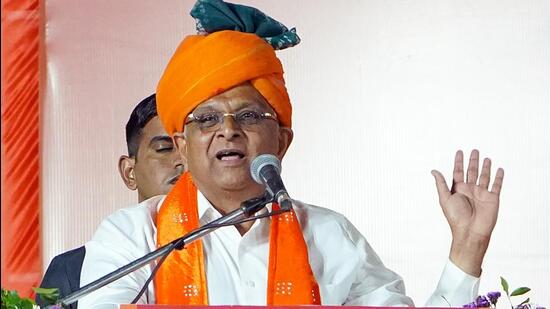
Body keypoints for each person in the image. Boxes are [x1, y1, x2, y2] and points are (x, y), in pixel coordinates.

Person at [78, 0, 505, 308]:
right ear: (182, 147)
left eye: (248, 114)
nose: (228, 130)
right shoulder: (133, 239)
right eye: (205, 120)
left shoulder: (330, 237)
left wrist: (467, 250)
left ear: (282, 140)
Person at [37, 94, 183, 308]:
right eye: (164, 149)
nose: (182, 160)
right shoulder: (68, 270)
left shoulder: (228, 240)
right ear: (129, 172)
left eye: (189, 148)